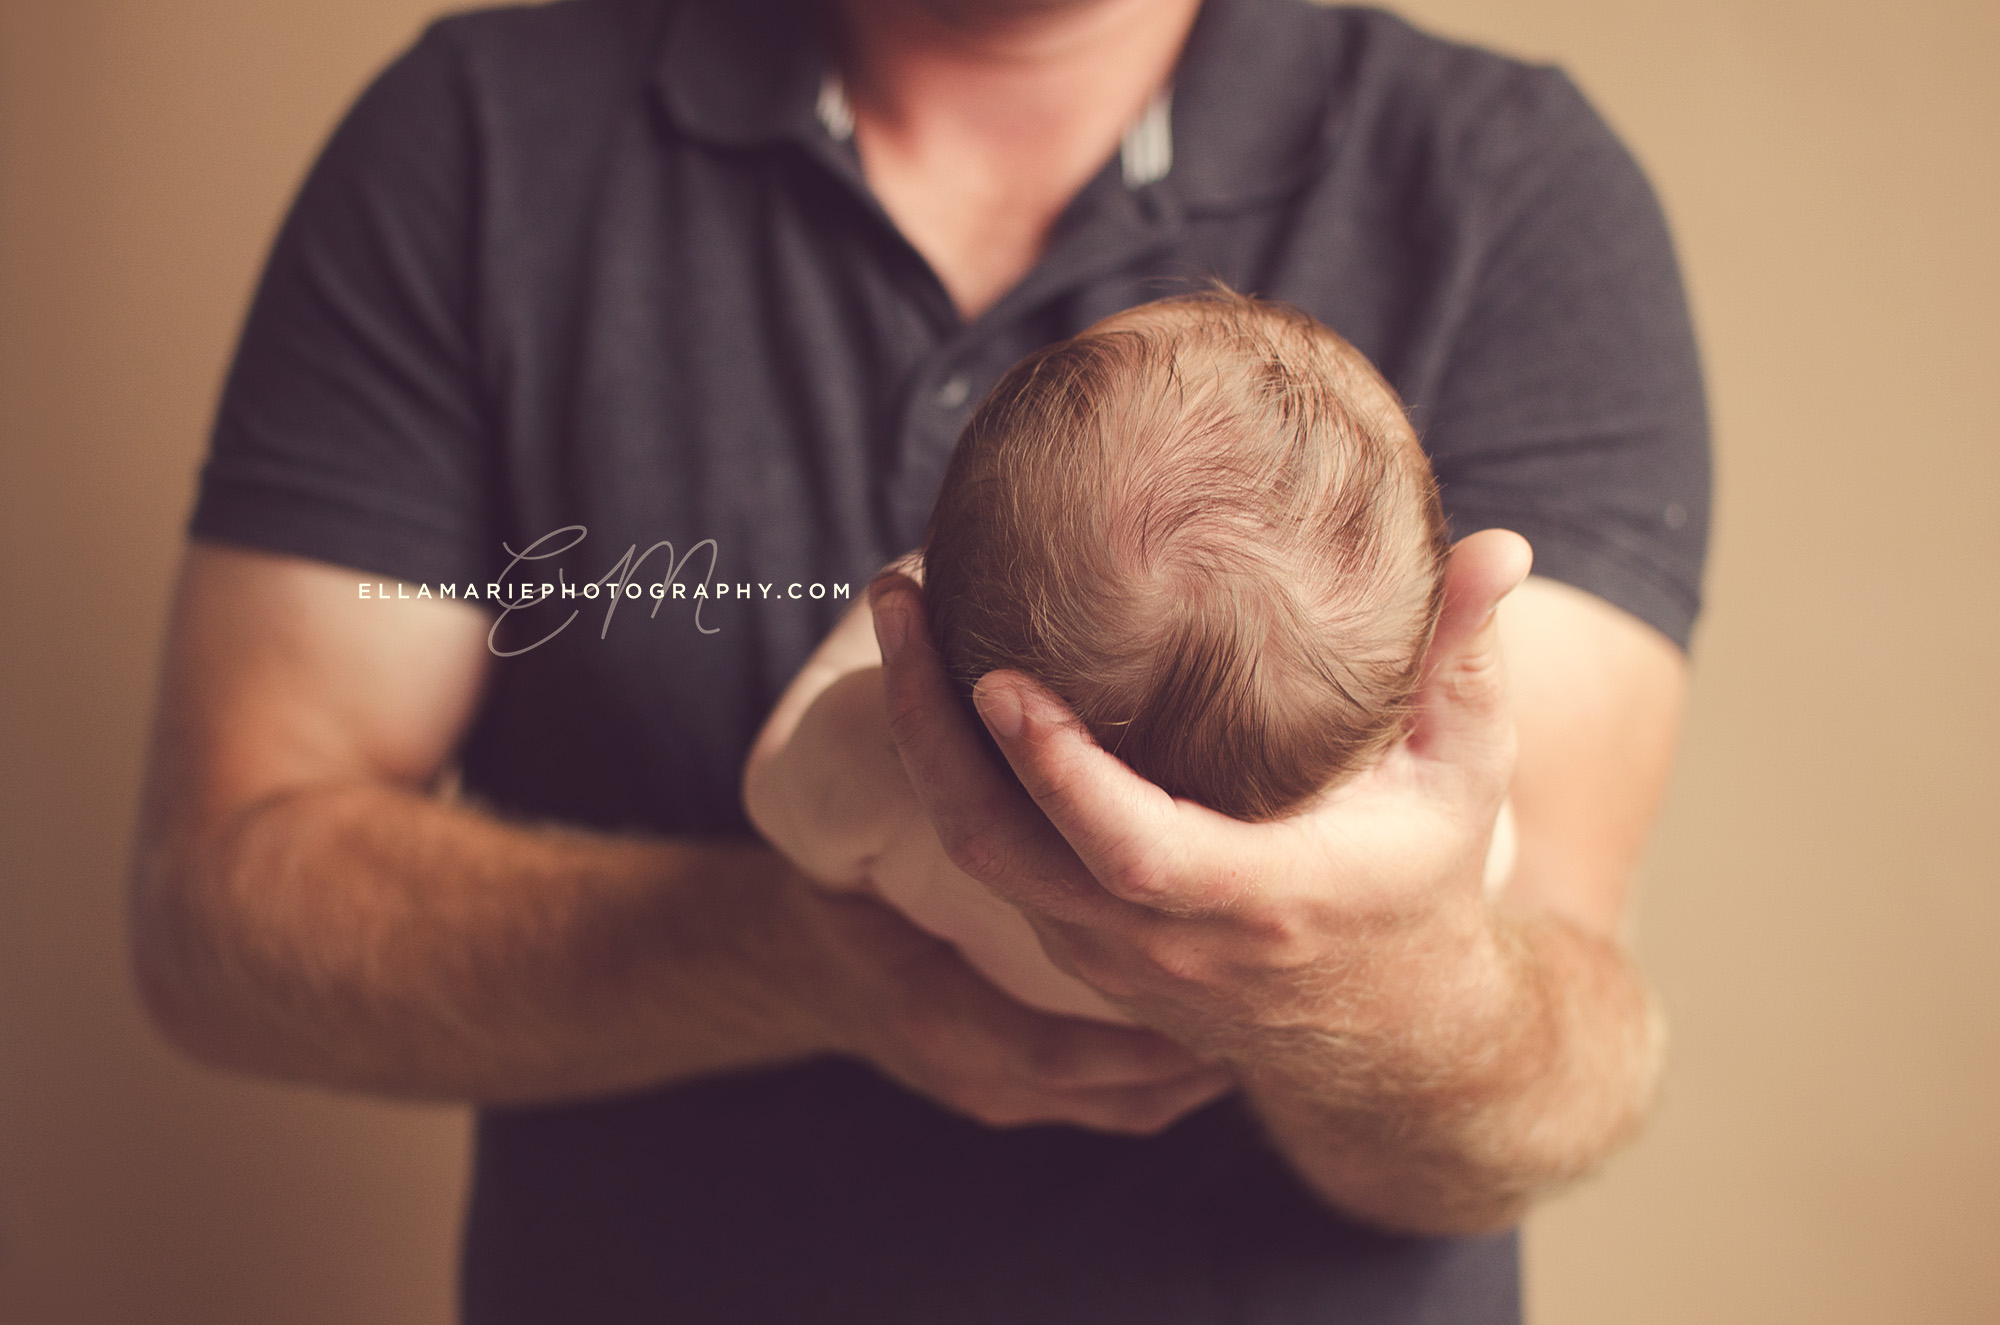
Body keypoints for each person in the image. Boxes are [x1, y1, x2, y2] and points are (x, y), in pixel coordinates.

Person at [129, 0, 1709, 1319]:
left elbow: (1551, 1069)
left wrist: (1376, 993)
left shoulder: (1514, 190)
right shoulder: (476, 140)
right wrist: (791, 959)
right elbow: (221, 901)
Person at [746, 291, 1517, 1024]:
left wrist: (886, 637)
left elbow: (775, 796)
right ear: (1399, 706)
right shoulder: (1364, 878)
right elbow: (1489, 867)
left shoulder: (883, 763)